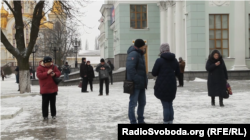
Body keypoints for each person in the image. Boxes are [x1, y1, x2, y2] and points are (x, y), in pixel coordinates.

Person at [152, 43, 180, 124]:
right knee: (170, 104)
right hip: (172, 85)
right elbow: (178, 72)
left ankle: (166, 121)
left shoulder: (159, 61)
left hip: (162, 85)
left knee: (165, 105)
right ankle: (170, 121)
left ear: (161, 51)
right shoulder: (174, 60)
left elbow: (154, 73)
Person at [126, 39, 148, 124]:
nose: (144, 47)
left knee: (142, 103)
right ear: (140, 46)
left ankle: (141, 120)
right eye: (143, 46)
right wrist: (137, 79)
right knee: (133, 103)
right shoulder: (134, 54)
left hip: (141, 84)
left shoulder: (140, 54)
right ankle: (133, 121)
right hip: (135, 84)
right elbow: (130, 69)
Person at [36, 56, 61, 121]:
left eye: (50, 63)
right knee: (45, 103)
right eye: (47, 63)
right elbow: (39, 75)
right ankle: (45, 115)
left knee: (53, 103)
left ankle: (53, 115)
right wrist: (46, 73)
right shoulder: (40, 68)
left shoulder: (54, 67)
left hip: (53, 88)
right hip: (45, 89)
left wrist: (55, 74)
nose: (49, 64)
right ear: (44, 63)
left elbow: (59, 73)